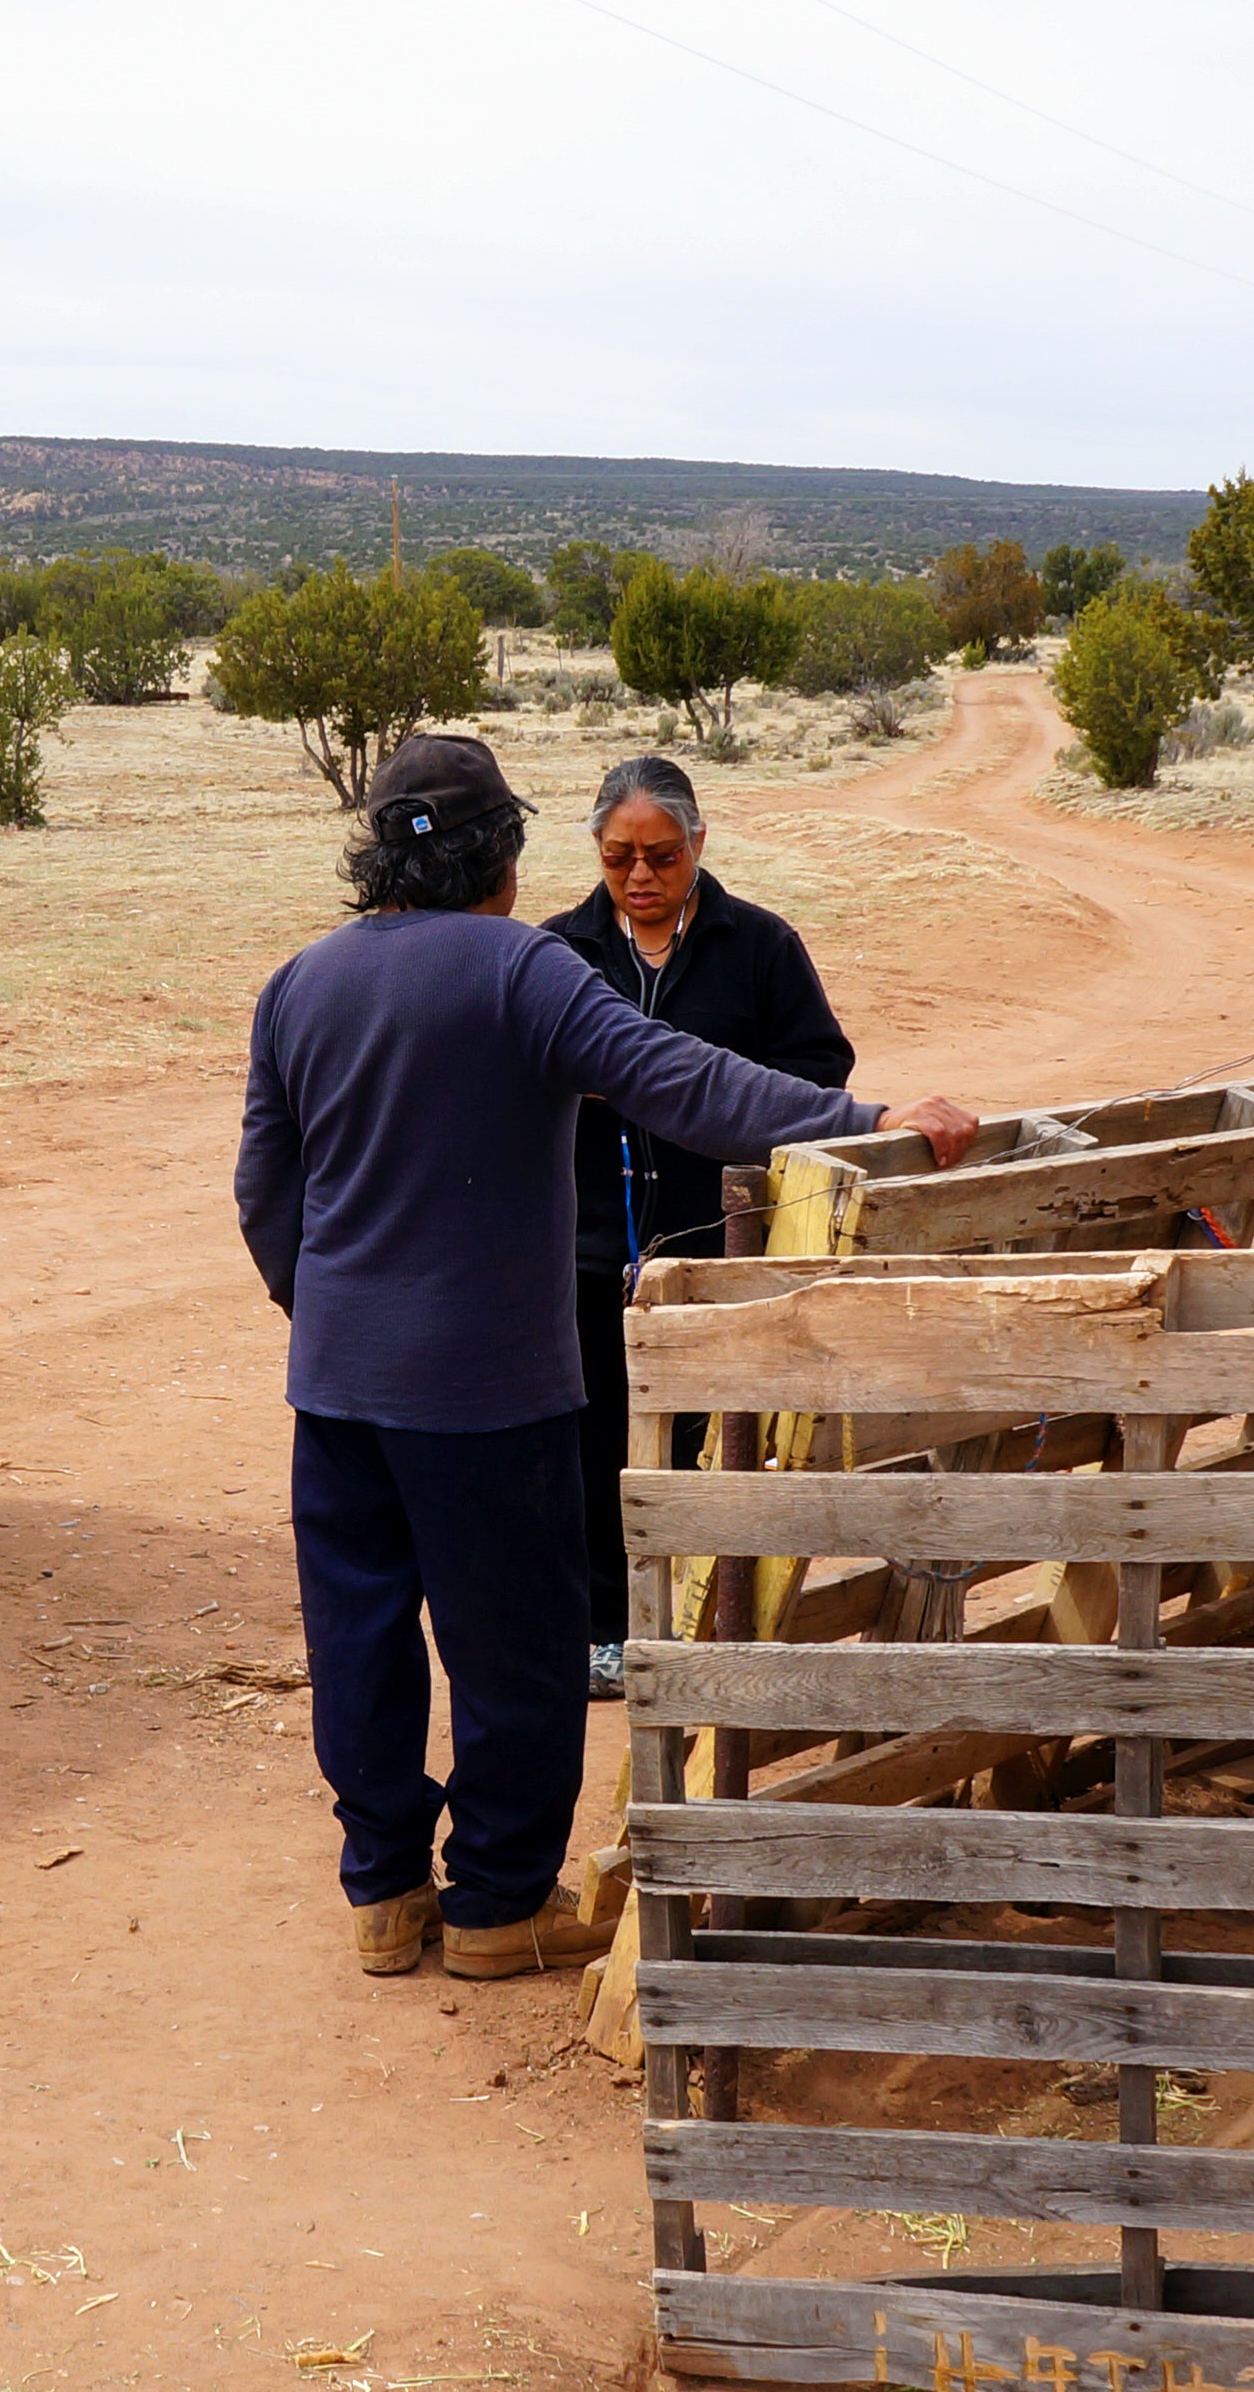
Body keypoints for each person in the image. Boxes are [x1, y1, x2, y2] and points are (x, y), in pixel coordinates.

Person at [235, 734, 979, 1983]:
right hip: (488, 1389)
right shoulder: (522, 971)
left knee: (357, 1633)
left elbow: (267, 1186)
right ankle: (495, 1908)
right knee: (513, 1642)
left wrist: (324, 1311)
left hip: (339, 1387)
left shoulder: (298, 984)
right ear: (511, 859)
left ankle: (383, 1895)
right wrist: (865, 1121)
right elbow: (680, 1084)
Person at [540, 756, 852, 1698]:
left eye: (663, 856)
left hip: (718, 1250)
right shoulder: (555, 954)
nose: (640, 877)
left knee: (716, 1442)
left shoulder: (759, 945)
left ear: (699, 846)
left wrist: (712, 1086)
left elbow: (819, 1066)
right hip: (590, 1251)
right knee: (594, 1445)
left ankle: (713, 1631)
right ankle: (605, 1630)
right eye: (619, 857)